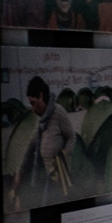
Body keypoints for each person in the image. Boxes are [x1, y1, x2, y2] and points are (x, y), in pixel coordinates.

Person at [11, 75, 78, 209]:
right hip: (49, 176)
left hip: (61, 176)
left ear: (41, 96)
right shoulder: (42, 122)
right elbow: (30, 147)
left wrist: (61, 159)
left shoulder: (58, 113)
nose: (32, 108)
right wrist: (20, 172)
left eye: (33, 103)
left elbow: (72, 137)